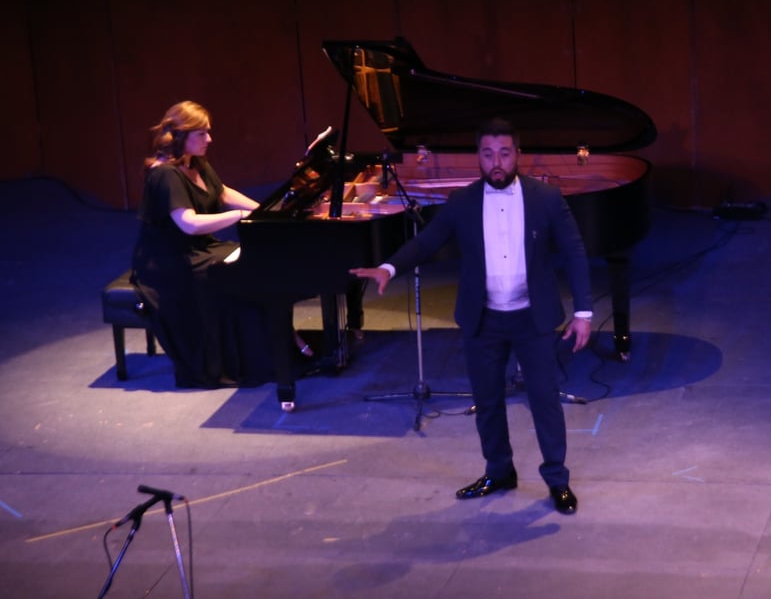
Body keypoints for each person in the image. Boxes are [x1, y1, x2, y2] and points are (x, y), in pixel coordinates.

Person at [350, 117, 593, 514]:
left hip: (533, 319)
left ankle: (557, 480)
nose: (496, 161)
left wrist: (583, 311)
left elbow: (575, 251)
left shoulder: (546, 199)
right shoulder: (462, 203)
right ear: (477, 158)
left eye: (504, 153)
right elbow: (428, 241)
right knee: (488, 400)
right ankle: (499, 472)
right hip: (484, 320)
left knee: (545, 401)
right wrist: (389, 268)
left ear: (517, 155)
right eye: (487, 153)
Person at [130, 100, 303, 389]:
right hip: (171, 263)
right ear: (181, 135)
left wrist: (265, 212)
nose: (209, 139)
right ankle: (259, 355)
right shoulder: (165, 174)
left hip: (198, 249)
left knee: (259, 262)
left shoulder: (195, 163)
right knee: (235, 275)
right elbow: (189, 223)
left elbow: (222, 192)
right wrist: (239, 217)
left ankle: (279, 344)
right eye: (202, 134)